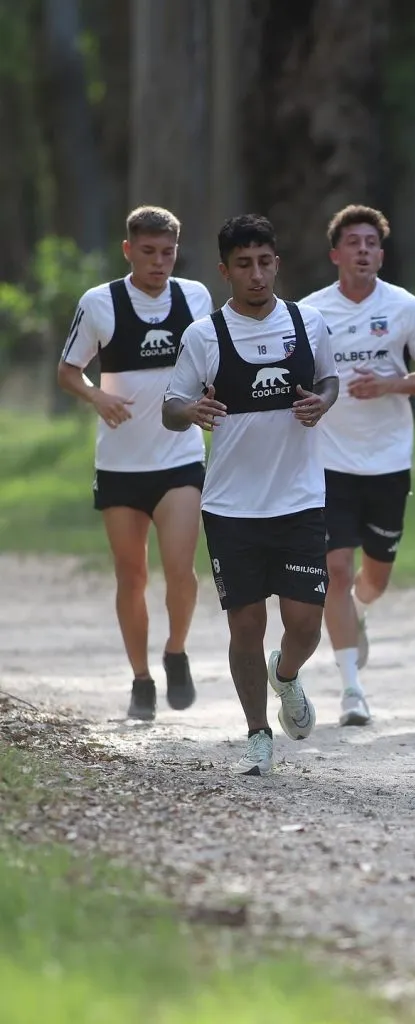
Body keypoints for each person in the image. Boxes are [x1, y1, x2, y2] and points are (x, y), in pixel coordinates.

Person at [162, 214, 339, 776]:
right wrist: (191, 410)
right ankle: (257, 732)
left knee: (306, 622)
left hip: (300, 497)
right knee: (245, 625)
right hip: (232, 506)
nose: (257, 275)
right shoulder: (204, 335)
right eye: (244, 265)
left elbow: (331, 378)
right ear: (225, 271)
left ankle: (284, 675)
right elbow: (170, 407)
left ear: (277, 264)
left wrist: (324, 401)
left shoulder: (309, 324)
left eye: (265, 262)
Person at [57, 205, 212, 721]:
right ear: (128, 250)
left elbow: (210, 361)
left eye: (167, 253)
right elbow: (68, 370)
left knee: (181, 572)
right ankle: (140, 679)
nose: (158, 262)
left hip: (180, 456)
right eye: (148, 252)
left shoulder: (195, 297)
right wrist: (97, 398)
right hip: (121, 465)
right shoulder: (99, 303)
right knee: (132, 577)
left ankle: (176, 651)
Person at [300, 205, 415, 726]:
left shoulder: (405, 307)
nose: (363, 250)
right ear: (335, 254)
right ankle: (351, 690)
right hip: (328, 460)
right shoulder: (310, 312)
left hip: (387, 459)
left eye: (371, 243)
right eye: (353, 242)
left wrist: (390, 384)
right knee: (335, 570)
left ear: (381, 255)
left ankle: (359, 614)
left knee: (375, 577)